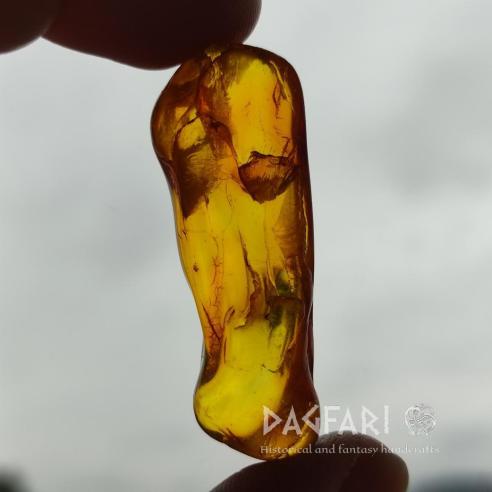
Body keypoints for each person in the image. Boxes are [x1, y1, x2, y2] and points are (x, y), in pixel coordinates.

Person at [0, 1, 408, 490]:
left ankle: (254, 383)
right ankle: (252, 383)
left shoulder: (228, 105)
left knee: (268, 295)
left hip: (249, 376)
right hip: (243, 374)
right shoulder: (210, 110)